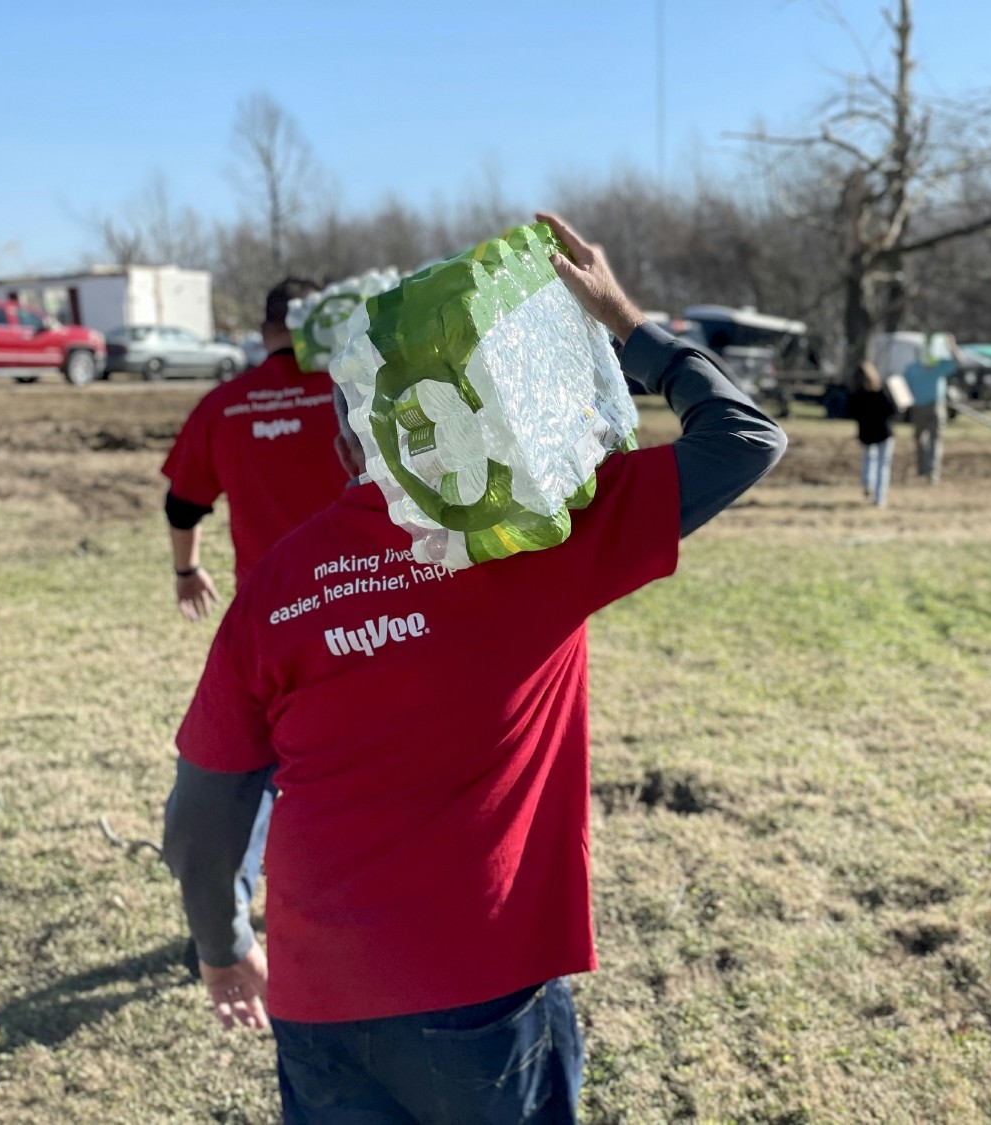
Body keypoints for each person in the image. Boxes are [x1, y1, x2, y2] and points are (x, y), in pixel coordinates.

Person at [162, 212, 787, 1124]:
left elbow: (204, 809)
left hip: (316, 996)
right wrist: (624, 320)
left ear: (343, 447)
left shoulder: (276, 587)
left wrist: (221, 945)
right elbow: (745, 436)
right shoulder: (539, 537)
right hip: (481, 994)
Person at [160, 277, 343, 975]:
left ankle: (225, 913)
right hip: (368, 610)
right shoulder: (359, 393)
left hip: (268, 621)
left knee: (250, 769)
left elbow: (183, 502)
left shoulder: (226, 402)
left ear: (267, 329)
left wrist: (186, 571)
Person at [901, 333, 954, 483]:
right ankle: (927, 471)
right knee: (926, 440)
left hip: (931, 407)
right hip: (922, 407)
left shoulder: (934, 366)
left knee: (930, 440)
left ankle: (929, 472)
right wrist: (952, 347)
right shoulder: (918, 368)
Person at [847, 361, 896, 508]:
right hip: (884, 433)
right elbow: (892, 410)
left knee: (869, 459)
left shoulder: (856, 395)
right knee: (883, 465)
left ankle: (868, 483)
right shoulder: (880, 392)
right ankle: (879, 498)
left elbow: (851, 413)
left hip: (866, 433)